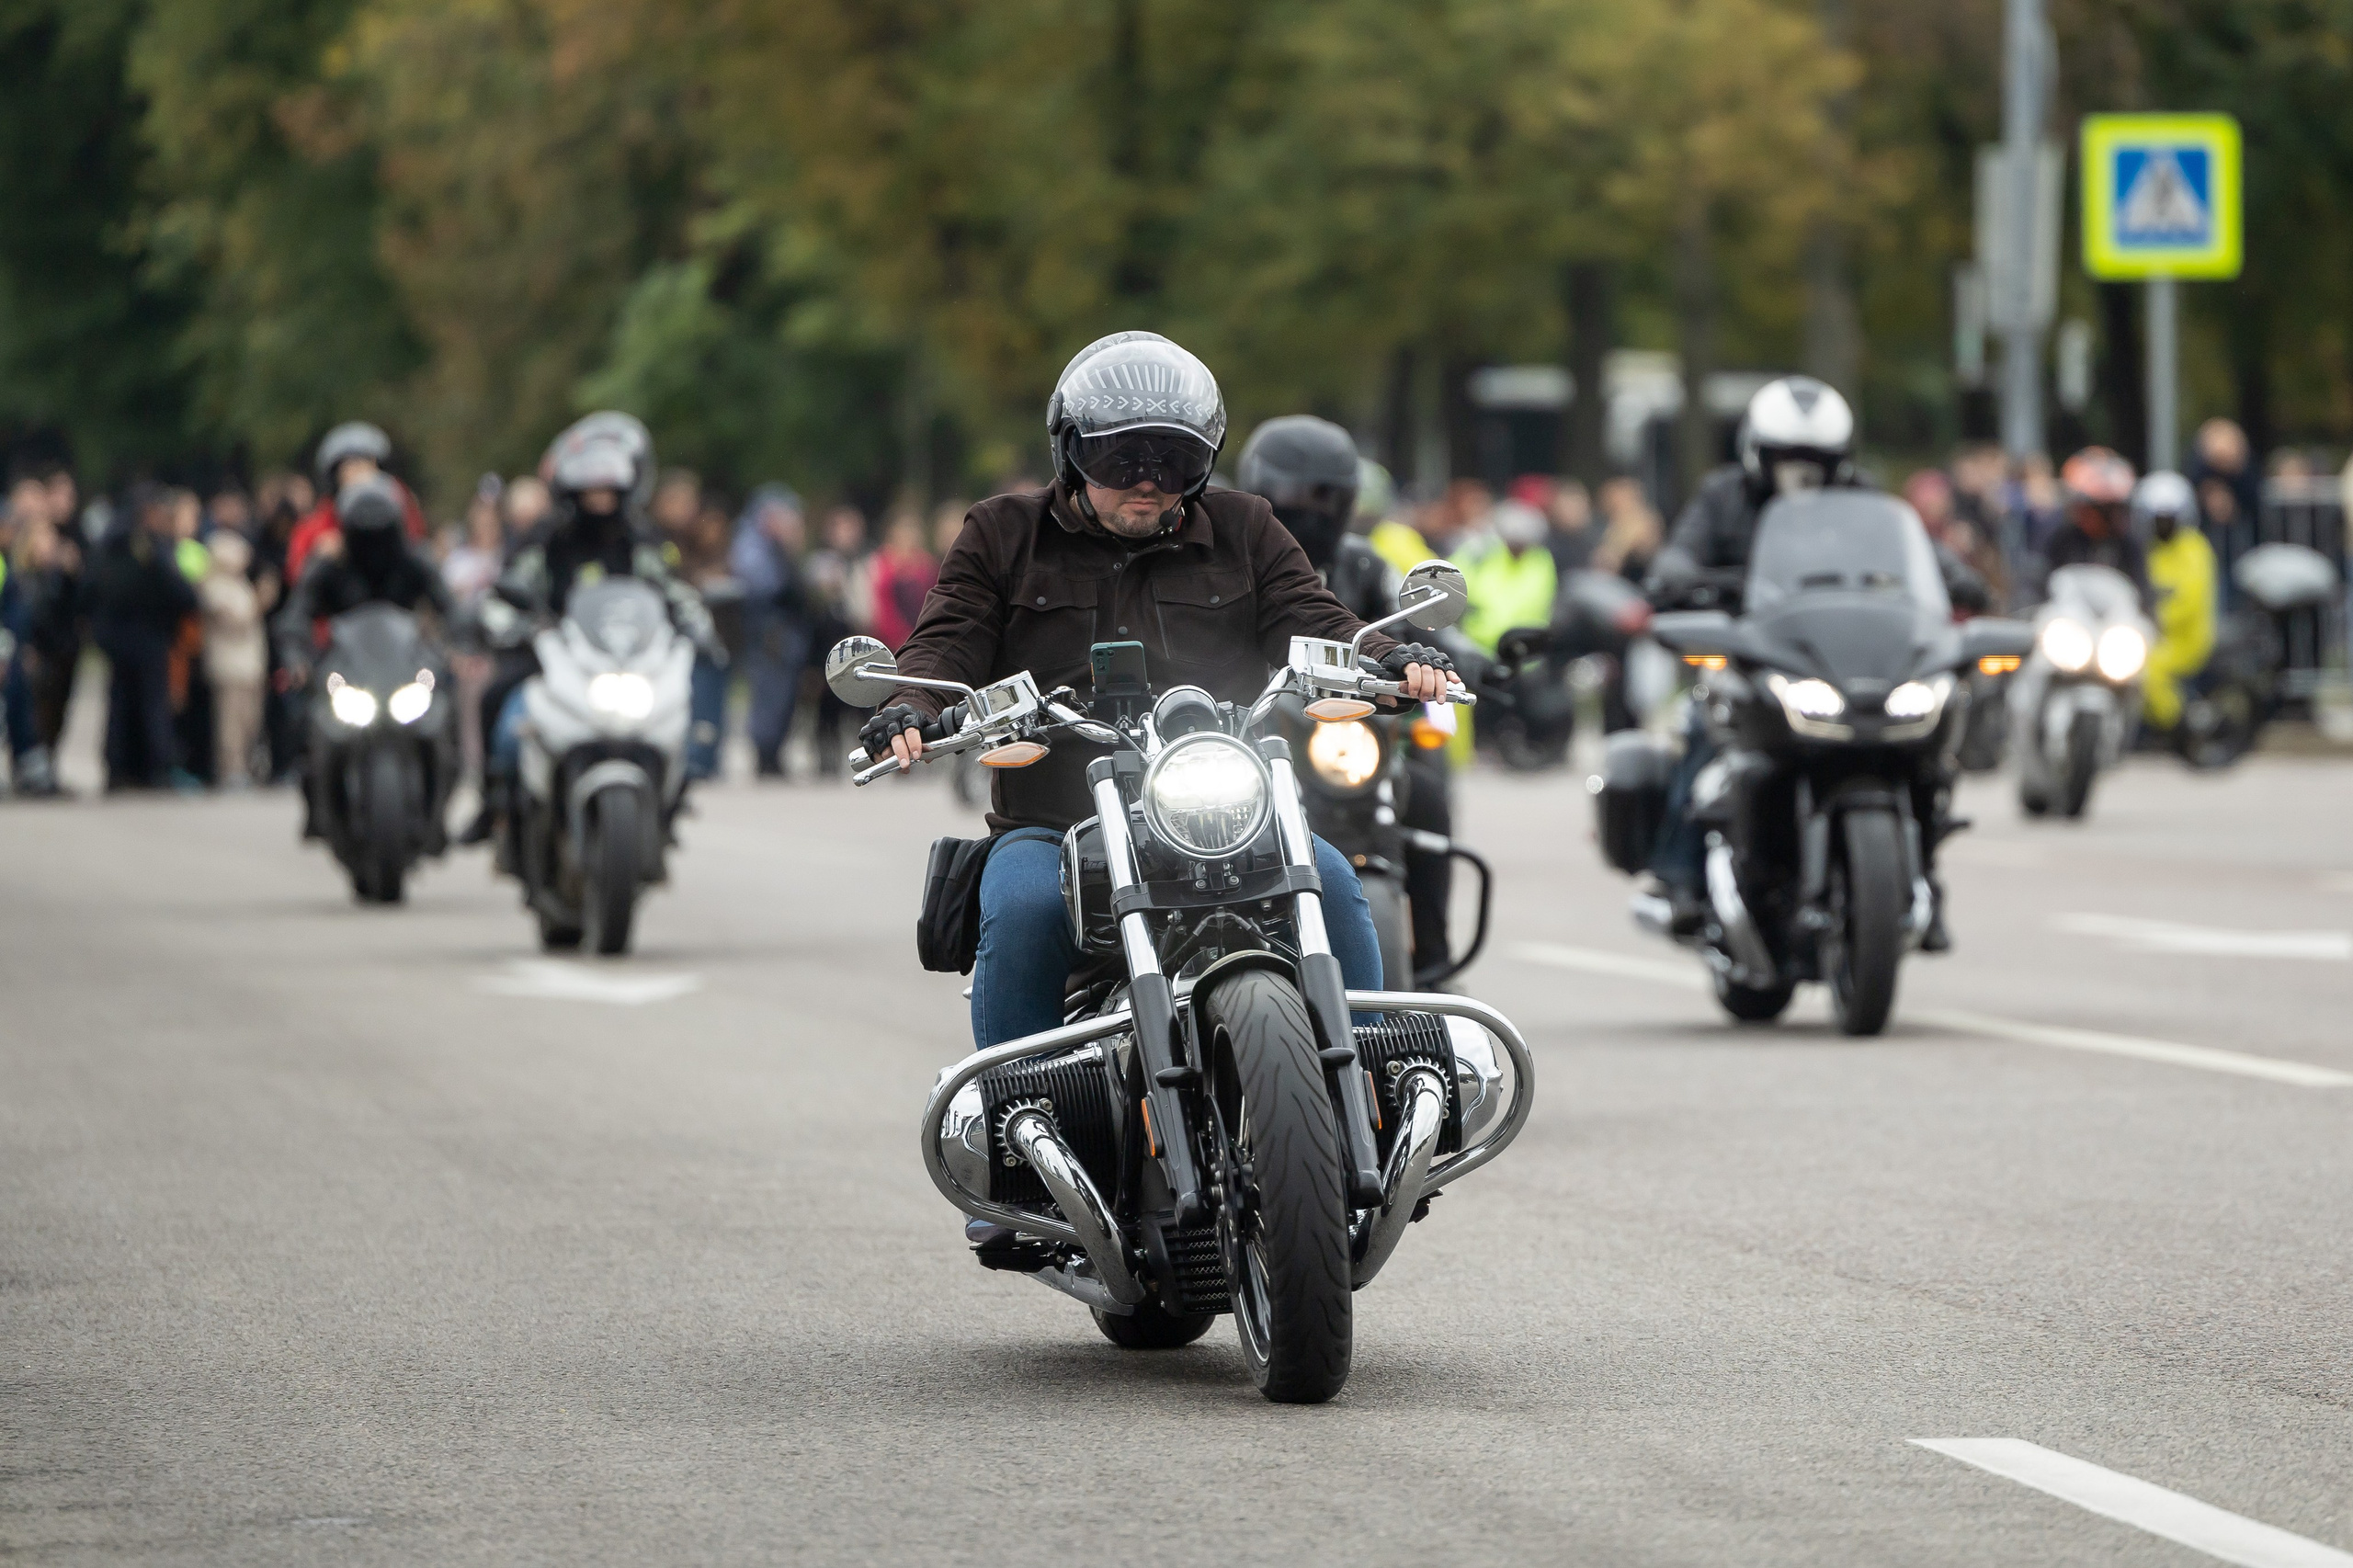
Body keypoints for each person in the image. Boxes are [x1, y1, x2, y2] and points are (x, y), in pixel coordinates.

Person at [865, 331, 1453, 1071]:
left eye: (1173, 460)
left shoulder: (1246, 527)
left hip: (1230, 818)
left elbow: (1319, 619)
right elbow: (947, 638)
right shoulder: (1002, 534)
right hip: (1056, 821)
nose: (1148, 481)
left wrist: (1391, 656)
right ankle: (1022, 1107)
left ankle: (1375, 1087)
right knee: (1022, 910)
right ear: (1071, 451)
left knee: (1333, 882)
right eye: (1121, 458)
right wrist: (913, 703)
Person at [1236, 414, 1477, 981]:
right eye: (1297, 496)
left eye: (1326, 497)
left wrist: (1457, 656)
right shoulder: (1233, 559)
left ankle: (1434, 956)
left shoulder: (1362, 563)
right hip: (1257, 734)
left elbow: (1419, 623)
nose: (1310, 509)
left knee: (1427, 795)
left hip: (1350, 733)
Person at [1643, 377, 1868, 930]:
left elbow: (1911, 550)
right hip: (1749, 654)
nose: (1802, 471)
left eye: (1816, 458)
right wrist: (1678, 575)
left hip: (1840, 656)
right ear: (1758, 452)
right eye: (1788, 457)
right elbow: (1681, 554)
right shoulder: (1723, 496)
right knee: (1705, 729)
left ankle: (1918, 872)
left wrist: (1953, 578)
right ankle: (1678, 878)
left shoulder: (1861, 498)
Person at [462, 418, 722, 847]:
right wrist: (507, 625)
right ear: (572, 492)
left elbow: (673, 591)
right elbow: (503, 592)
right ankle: (494, 802)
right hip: (553, 654)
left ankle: (672, 797)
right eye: (591, 492)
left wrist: (699, 626)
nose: (600, 501)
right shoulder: (547, 540)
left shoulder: (641, 541)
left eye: (608, 491)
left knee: (681, 709)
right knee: (499, 701)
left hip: (631, 657)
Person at [85, 484, 199, 791]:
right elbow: (181, 594)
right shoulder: (150, 548)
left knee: (121, 705)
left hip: (120, 638)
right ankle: (154, 768)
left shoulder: (109, 545)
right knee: (151, 706)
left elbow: (91, 591)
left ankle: (121, 768)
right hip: (146, 637)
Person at [729, 485, 810, 778]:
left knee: (783, 696)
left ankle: (774, 753)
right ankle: (765, 754)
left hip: (786, 632)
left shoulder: (775, 545)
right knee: (768, 695)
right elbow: (761, 586)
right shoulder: (752, 544)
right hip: (767, 632)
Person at [2131, 471, 2217, 736]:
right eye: (2157, 520)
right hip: (2148, 633)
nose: (2162, 527)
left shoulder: (2194, 549)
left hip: (2184, 639)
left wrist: (2152, 619)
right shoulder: (2144, 549)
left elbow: (2188, 601)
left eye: (2168, 520)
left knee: (2147, 669)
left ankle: (2179, 727)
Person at [285, 423, 426, 585]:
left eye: (365, 464)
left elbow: (416, 547)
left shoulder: (400, 508)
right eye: (350, 465)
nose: (359, 473)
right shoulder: (318, 524)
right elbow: (296, 573)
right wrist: (319, 557)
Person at [199, 530, 268, 788]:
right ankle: (231, 768)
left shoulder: (242, 585)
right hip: (228, 664)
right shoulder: (213, 586)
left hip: (250, 664)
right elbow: (234, 621)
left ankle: (248, 765)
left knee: (250, 719)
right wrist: (260, 602)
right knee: (230, 723)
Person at [2040, 448, 2147, 599]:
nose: (2109, 516)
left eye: (2113, 508)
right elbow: (2040, 582)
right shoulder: (2062, 541)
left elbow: (2143, 590)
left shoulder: (2128, 546)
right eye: (2100, 509)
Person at [1455, 500, 1558, 653]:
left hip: (1523, 650)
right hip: (1474, 647)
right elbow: (1452, 580)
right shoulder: (1481, 553)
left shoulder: (1541, 560)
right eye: (1512, 540)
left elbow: (1540, 602)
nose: (1517, 547)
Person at [866, 507, 939, 650]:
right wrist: (900, 635)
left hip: (922, 635)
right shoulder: (882, 563)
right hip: (890, 640)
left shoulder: (926, 564)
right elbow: (883, 606)